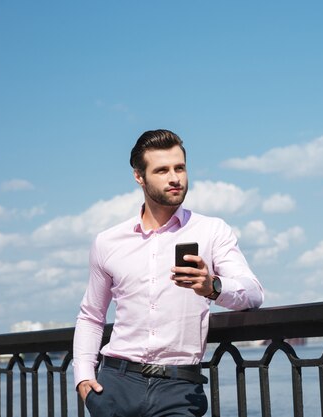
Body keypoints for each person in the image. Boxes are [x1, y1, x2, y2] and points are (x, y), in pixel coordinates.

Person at [73, 129, 264, 416]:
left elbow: (253, 293)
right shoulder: (108, 242)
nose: (175, 178)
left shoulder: (212, 231)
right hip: (116, 384)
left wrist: (212, 286)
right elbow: (91, 315)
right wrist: (84, 377)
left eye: (180, 168)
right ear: (139, 177)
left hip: (179, 387)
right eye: (162, 170)